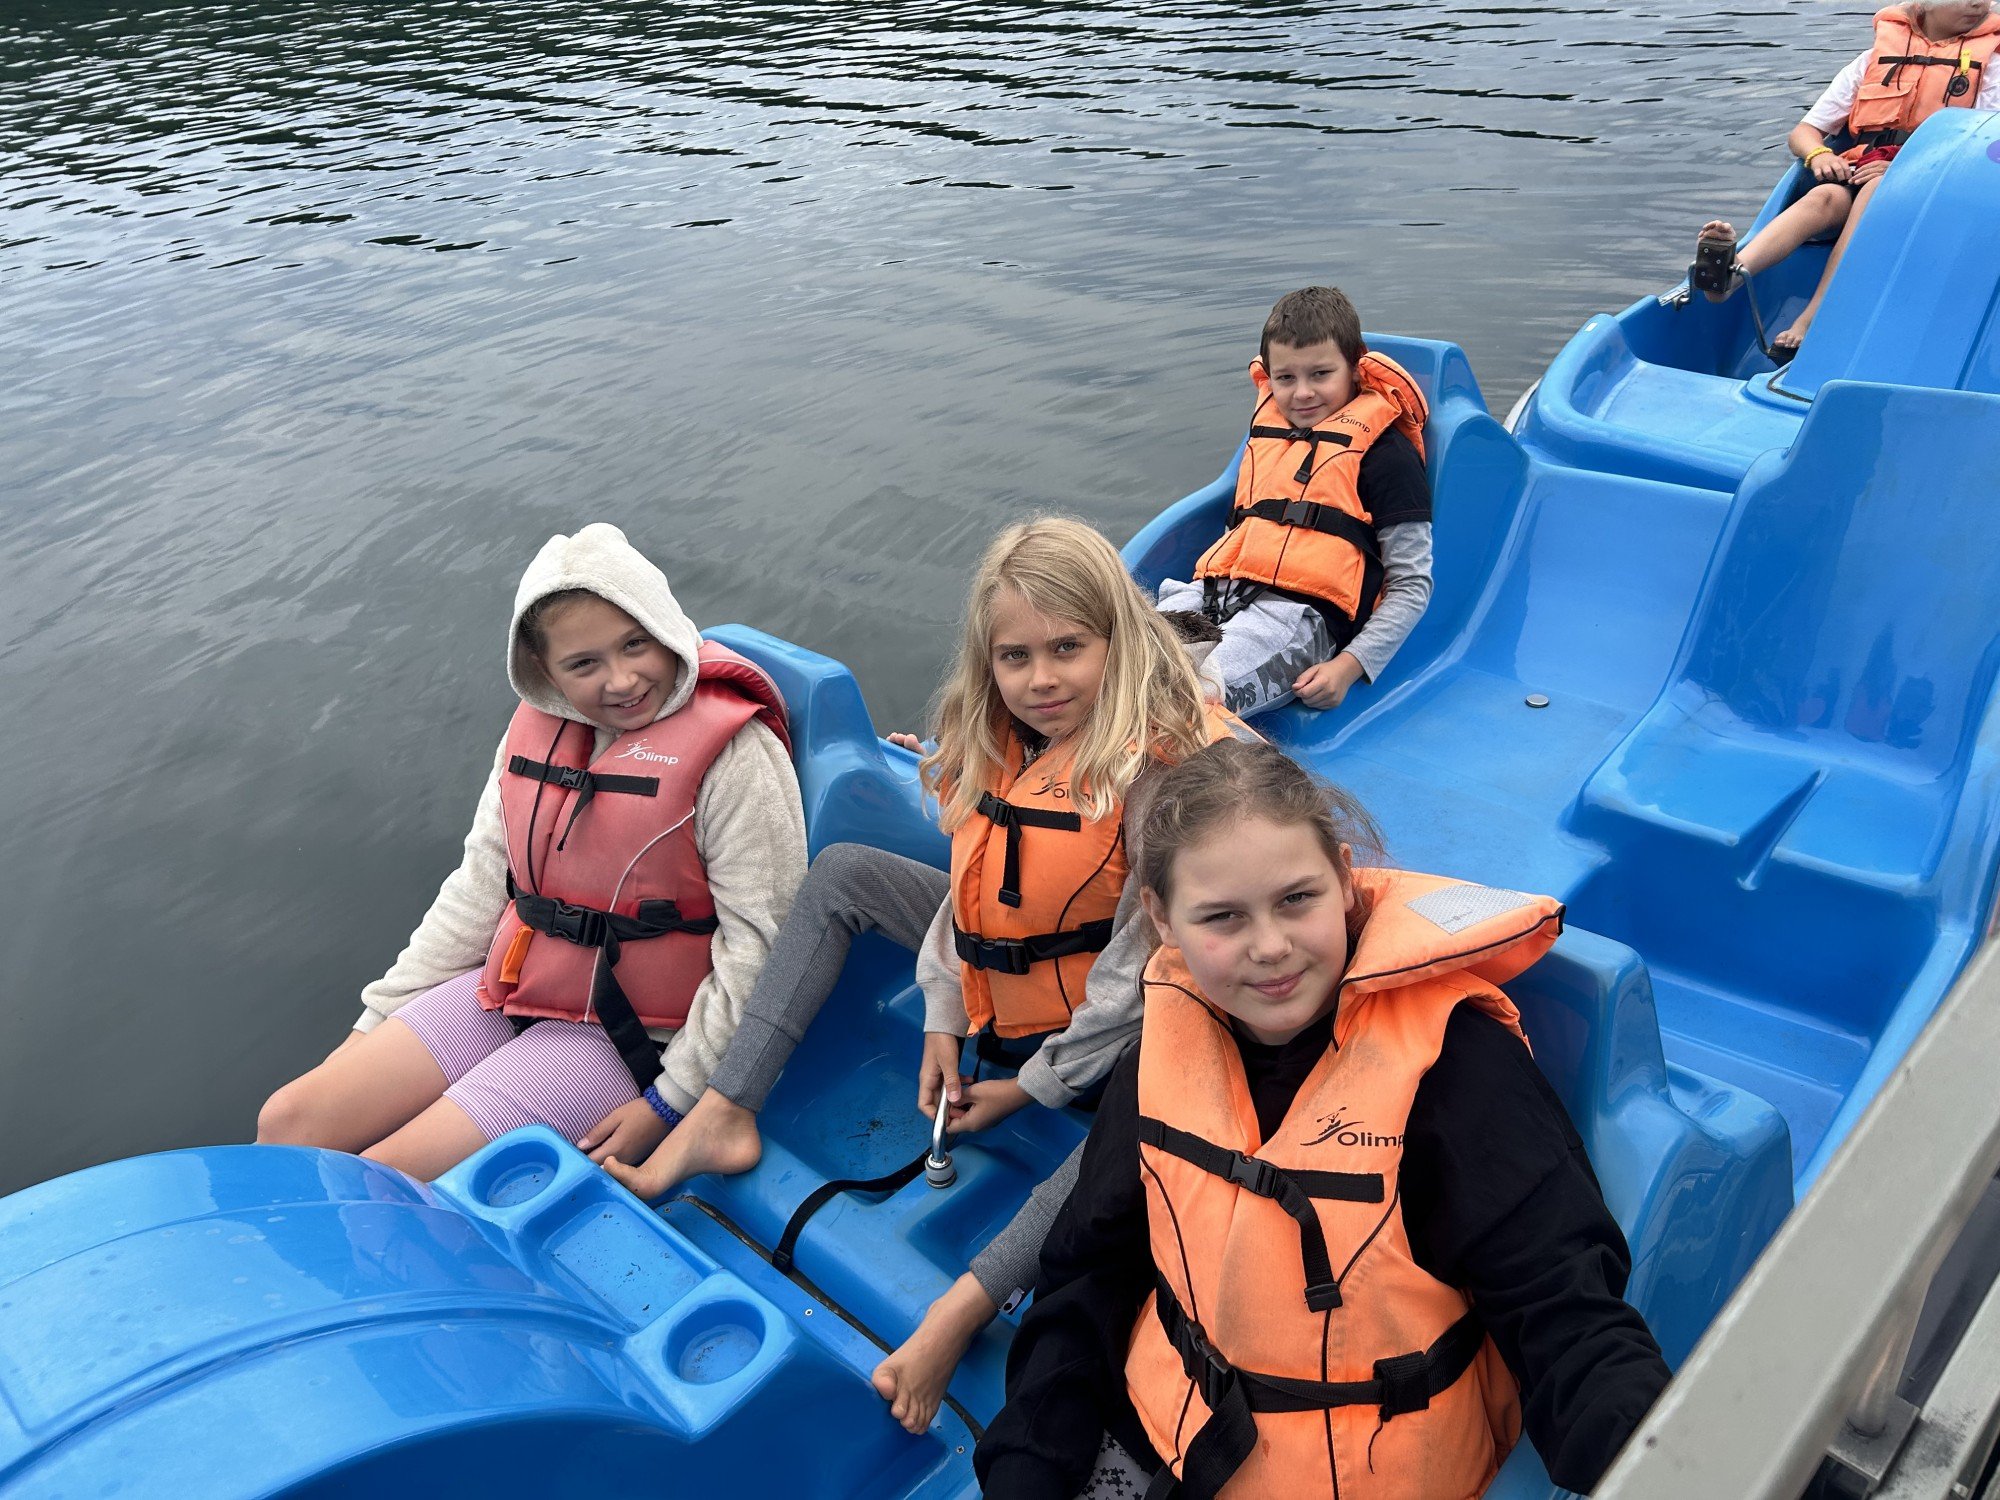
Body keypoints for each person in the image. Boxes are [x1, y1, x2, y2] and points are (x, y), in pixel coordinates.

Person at [605, 516, 1244, 1435]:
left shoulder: (1165, 774)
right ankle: (724, 1109)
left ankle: (966, 1306)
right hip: (1013, 985)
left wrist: (1029, 1088)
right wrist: (945, 1013)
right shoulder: (1006, 731)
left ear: (1119, 636)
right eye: (1015, 657)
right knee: (844, 874)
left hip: (1119, 1020)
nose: (1042, 679)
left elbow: (1133, 977)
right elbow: (974, 887)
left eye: (1069, 648)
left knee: (1154, 1098)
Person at [976, 739, 1670, 1499]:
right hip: (1172, 1431)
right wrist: (1028, 1464)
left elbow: (1568, 1323)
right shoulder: (1160, 1052)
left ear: (1343, 879)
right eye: (1222, 917)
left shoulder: (1455, 1070)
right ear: (1161, 919)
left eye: (1296, 899)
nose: (1270, 947)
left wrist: (1658, 1463)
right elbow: (1090, 1268)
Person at [257, 523, 807, 1181]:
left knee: (388, 1178)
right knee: (288, 1121)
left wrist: (673, 1100)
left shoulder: (738, 755)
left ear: (665, 625)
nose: (623, 679)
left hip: (637, 1035)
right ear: (545, 672)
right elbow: (478, 887)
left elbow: (764, 947)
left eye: (635, 644)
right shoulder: (536, 734)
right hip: (513, 988)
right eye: (584, 664)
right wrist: (372, 1025)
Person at [1155, 286, 1434, 719]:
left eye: (1320, 374)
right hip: (1211, 595)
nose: (1302, 393)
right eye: (1286, 378)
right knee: (1111, 661)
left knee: (1183, 700)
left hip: (1297, 622)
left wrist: (1349, 667)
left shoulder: (1386, 455)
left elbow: (1411, 585)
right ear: (1269, 375)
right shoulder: (1269, 437)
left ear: (1355, 367)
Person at [1693, 1, 2000, 356]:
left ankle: (1813, 315)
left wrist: (1903, 170)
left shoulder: (1991, 66)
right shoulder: (1871, 61)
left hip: (1937, 184)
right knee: (1823, 197)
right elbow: (1804, 133)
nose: (1979, 3)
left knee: (1874, 189)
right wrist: (1820, 154)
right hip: (1864, 168)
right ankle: (1731, 276)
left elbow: (1986, 145)